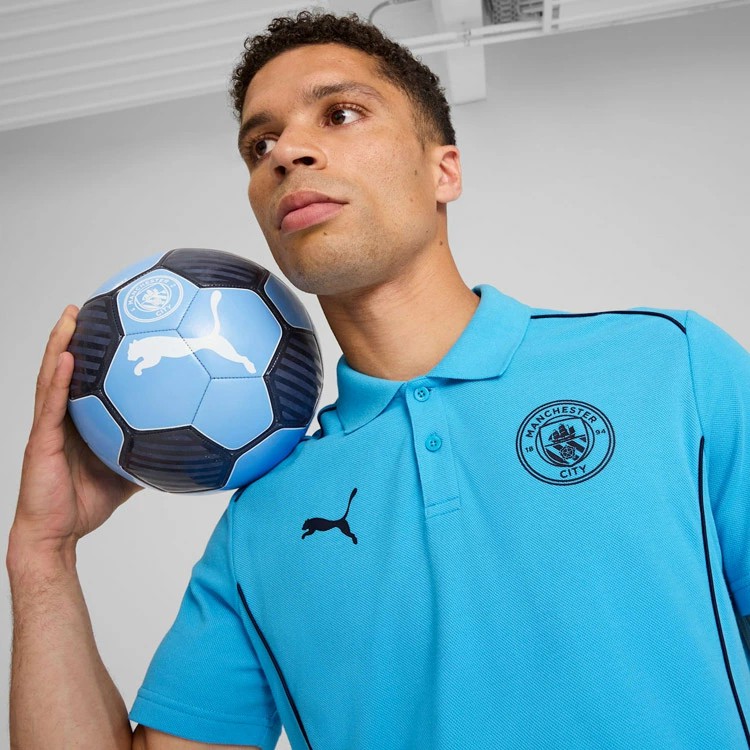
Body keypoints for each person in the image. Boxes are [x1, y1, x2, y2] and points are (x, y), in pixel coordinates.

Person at [7, 9, 750, 750]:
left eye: (339, 113)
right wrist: (44, 556)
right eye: (260, 144)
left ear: (443, 170)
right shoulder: (261, 522)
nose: (286, 152)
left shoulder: (671, 364)